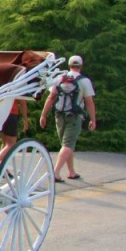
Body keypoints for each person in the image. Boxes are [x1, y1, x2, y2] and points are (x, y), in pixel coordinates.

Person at [40, 54, 96, 183]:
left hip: (59, 115)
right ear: (80, 66)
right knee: (67, 145)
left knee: (67, 145)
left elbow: (50, 98)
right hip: (74, 116)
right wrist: (93, 119)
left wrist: (43, 115)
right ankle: (55, 172)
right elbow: (89, 102)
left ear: (69, 65)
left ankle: (71, 172)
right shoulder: (84, 81)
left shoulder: (59, 78)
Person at [0, 98, 30, 168]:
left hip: (0, 114)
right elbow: (22, 102)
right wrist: (25, 120)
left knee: (5, 144)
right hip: (11, 114)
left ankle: (2, 169)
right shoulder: (15, 87)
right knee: (11, 144)